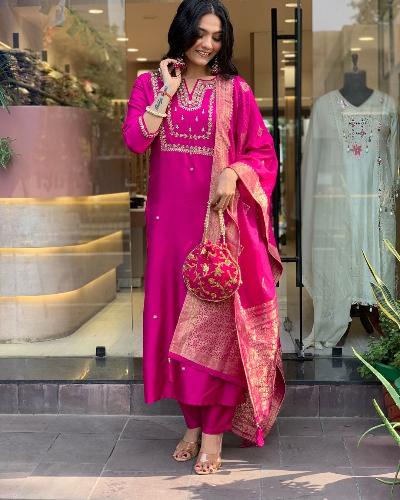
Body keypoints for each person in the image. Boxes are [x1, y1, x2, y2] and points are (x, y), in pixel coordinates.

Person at [122, 0, 284, 475]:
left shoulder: (235, 90)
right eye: (201, 33)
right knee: (175, 323)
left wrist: (233, 171)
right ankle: (191, 424)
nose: (208, 44)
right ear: (183, 30)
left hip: (217, 230)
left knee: (215, 331)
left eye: (217, 36)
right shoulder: (149, 85)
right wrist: (167, 94)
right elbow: (135, 140)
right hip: (168, 229)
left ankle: (212, 433)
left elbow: (263, 154)